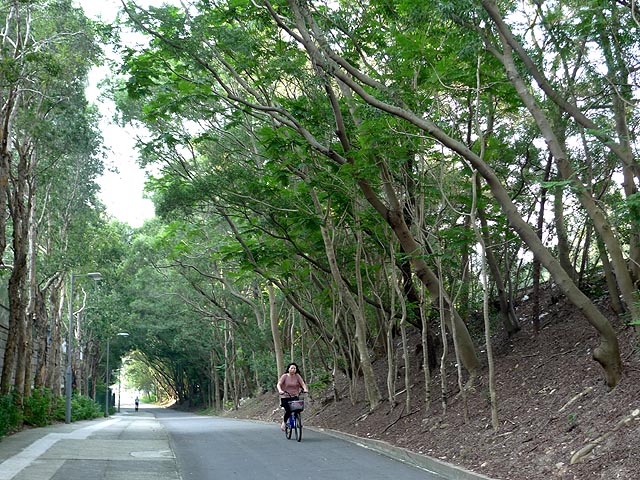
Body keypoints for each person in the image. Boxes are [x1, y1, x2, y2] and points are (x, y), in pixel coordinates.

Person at [276, 362, 308, 431]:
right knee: (288, 410)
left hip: (294, 396)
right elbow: (279, 384)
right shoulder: (285, 376)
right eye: (292, 368)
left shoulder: (297, 376)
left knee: (298, 408)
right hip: (285, 396)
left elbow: (302, 383)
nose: (293, 369)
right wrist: (280, 391)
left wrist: (305, 389)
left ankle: (297, 420)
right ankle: (284, 422)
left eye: (294, 368)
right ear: (288, 369)